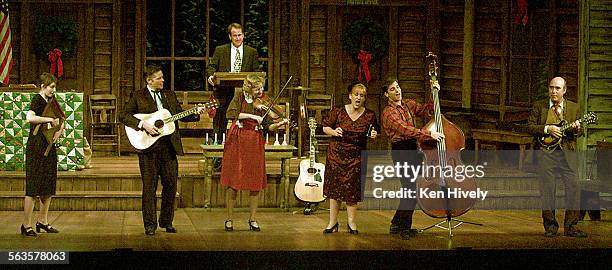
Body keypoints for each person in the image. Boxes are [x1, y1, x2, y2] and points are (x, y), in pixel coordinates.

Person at [120, 65, 207, 236]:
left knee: (171, 185)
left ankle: (166, 221)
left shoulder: (169, 95)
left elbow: (179, 114)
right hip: (148, 149)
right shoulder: (138, 96)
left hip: (169, 147)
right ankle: (150, 225)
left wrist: (196, 113)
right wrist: (142, 124)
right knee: (149, 187)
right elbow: (123, 116)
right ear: (149, 80)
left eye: (162, 77)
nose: (163, 80)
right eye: (159, 78)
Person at [220, 74, 288, 232]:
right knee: (233, 180)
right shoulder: (239, 96)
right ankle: (229, 219)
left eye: (262, 87)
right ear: (249, 87)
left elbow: (269, 126)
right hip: (238, 138)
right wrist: (253, 115)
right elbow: (231, 114)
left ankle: (253, 219)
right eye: (257, 88)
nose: (261, 91)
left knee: (255, 179)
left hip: (254, 140)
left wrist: (280, 124)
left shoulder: (264, 102)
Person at [381, 79, 444, 240]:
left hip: (414, 149)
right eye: (392, 89)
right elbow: (405, 129)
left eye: (398, 87)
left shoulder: (408, 104)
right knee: (410, 190)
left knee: (410, 190)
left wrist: (433, 92)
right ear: (386, 94)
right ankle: (404, 228)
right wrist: (429, 134)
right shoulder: (388, 112)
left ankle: (397, 223)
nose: (397, 91)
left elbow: (426, 109)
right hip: (401, 150)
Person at [526, 76, 587, 238]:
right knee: (548, 190)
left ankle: (571, 227)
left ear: (564, 91)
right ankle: (551, 227)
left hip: (567, 153)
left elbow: (581, 132)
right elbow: (530, 127)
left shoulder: (574, 108)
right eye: (551, 87)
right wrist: (547, 129)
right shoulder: (539, 106)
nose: (554, 91)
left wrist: (576, 128)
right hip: (546, 153)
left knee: (574, 188)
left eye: (557, 88)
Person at [322, 83, 378, 235]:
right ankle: (332, 222)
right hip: (336, 154)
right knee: (335, 189)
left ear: (364, 98)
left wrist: (373, 135)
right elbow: (325, 127)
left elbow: (373, 133)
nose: (358, 98)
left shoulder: (369, 115)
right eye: (356, 94)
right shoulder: (338, 112)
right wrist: (333, 131)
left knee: (352, 189)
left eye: (362, 95)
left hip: (356, 157)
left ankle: (351, 222)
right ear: (350, 96)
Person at [206, 22, 261, 169]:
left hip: (243, 95)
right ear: (230, 36)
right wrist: (211, 76)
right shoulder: (220, 50)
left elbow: (256, 71)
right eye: (234, 35)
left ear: (243, 35)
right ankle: (217, 160)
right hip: (223, 93)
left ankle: (242, 160)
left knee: (244, 125)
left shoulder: (252, 52)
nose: (237, 38)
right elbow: (211, 67)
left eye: (240, 35)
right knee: (219, 125)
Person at [21, 72, 64, 237]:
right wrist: (47, 120)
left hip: (48, 146)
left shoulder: (52, 102)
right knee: (32, 187)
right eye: (51, 87)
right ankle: (26, 225)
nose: (54, 90)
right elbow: (29, 118)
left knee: (48, 186)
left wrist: (59, 131)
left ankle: (43, 221)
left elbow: (60, 120)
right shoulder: (37, 100)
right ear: (43, 87)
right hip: (36, 147)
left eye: (55, 87)